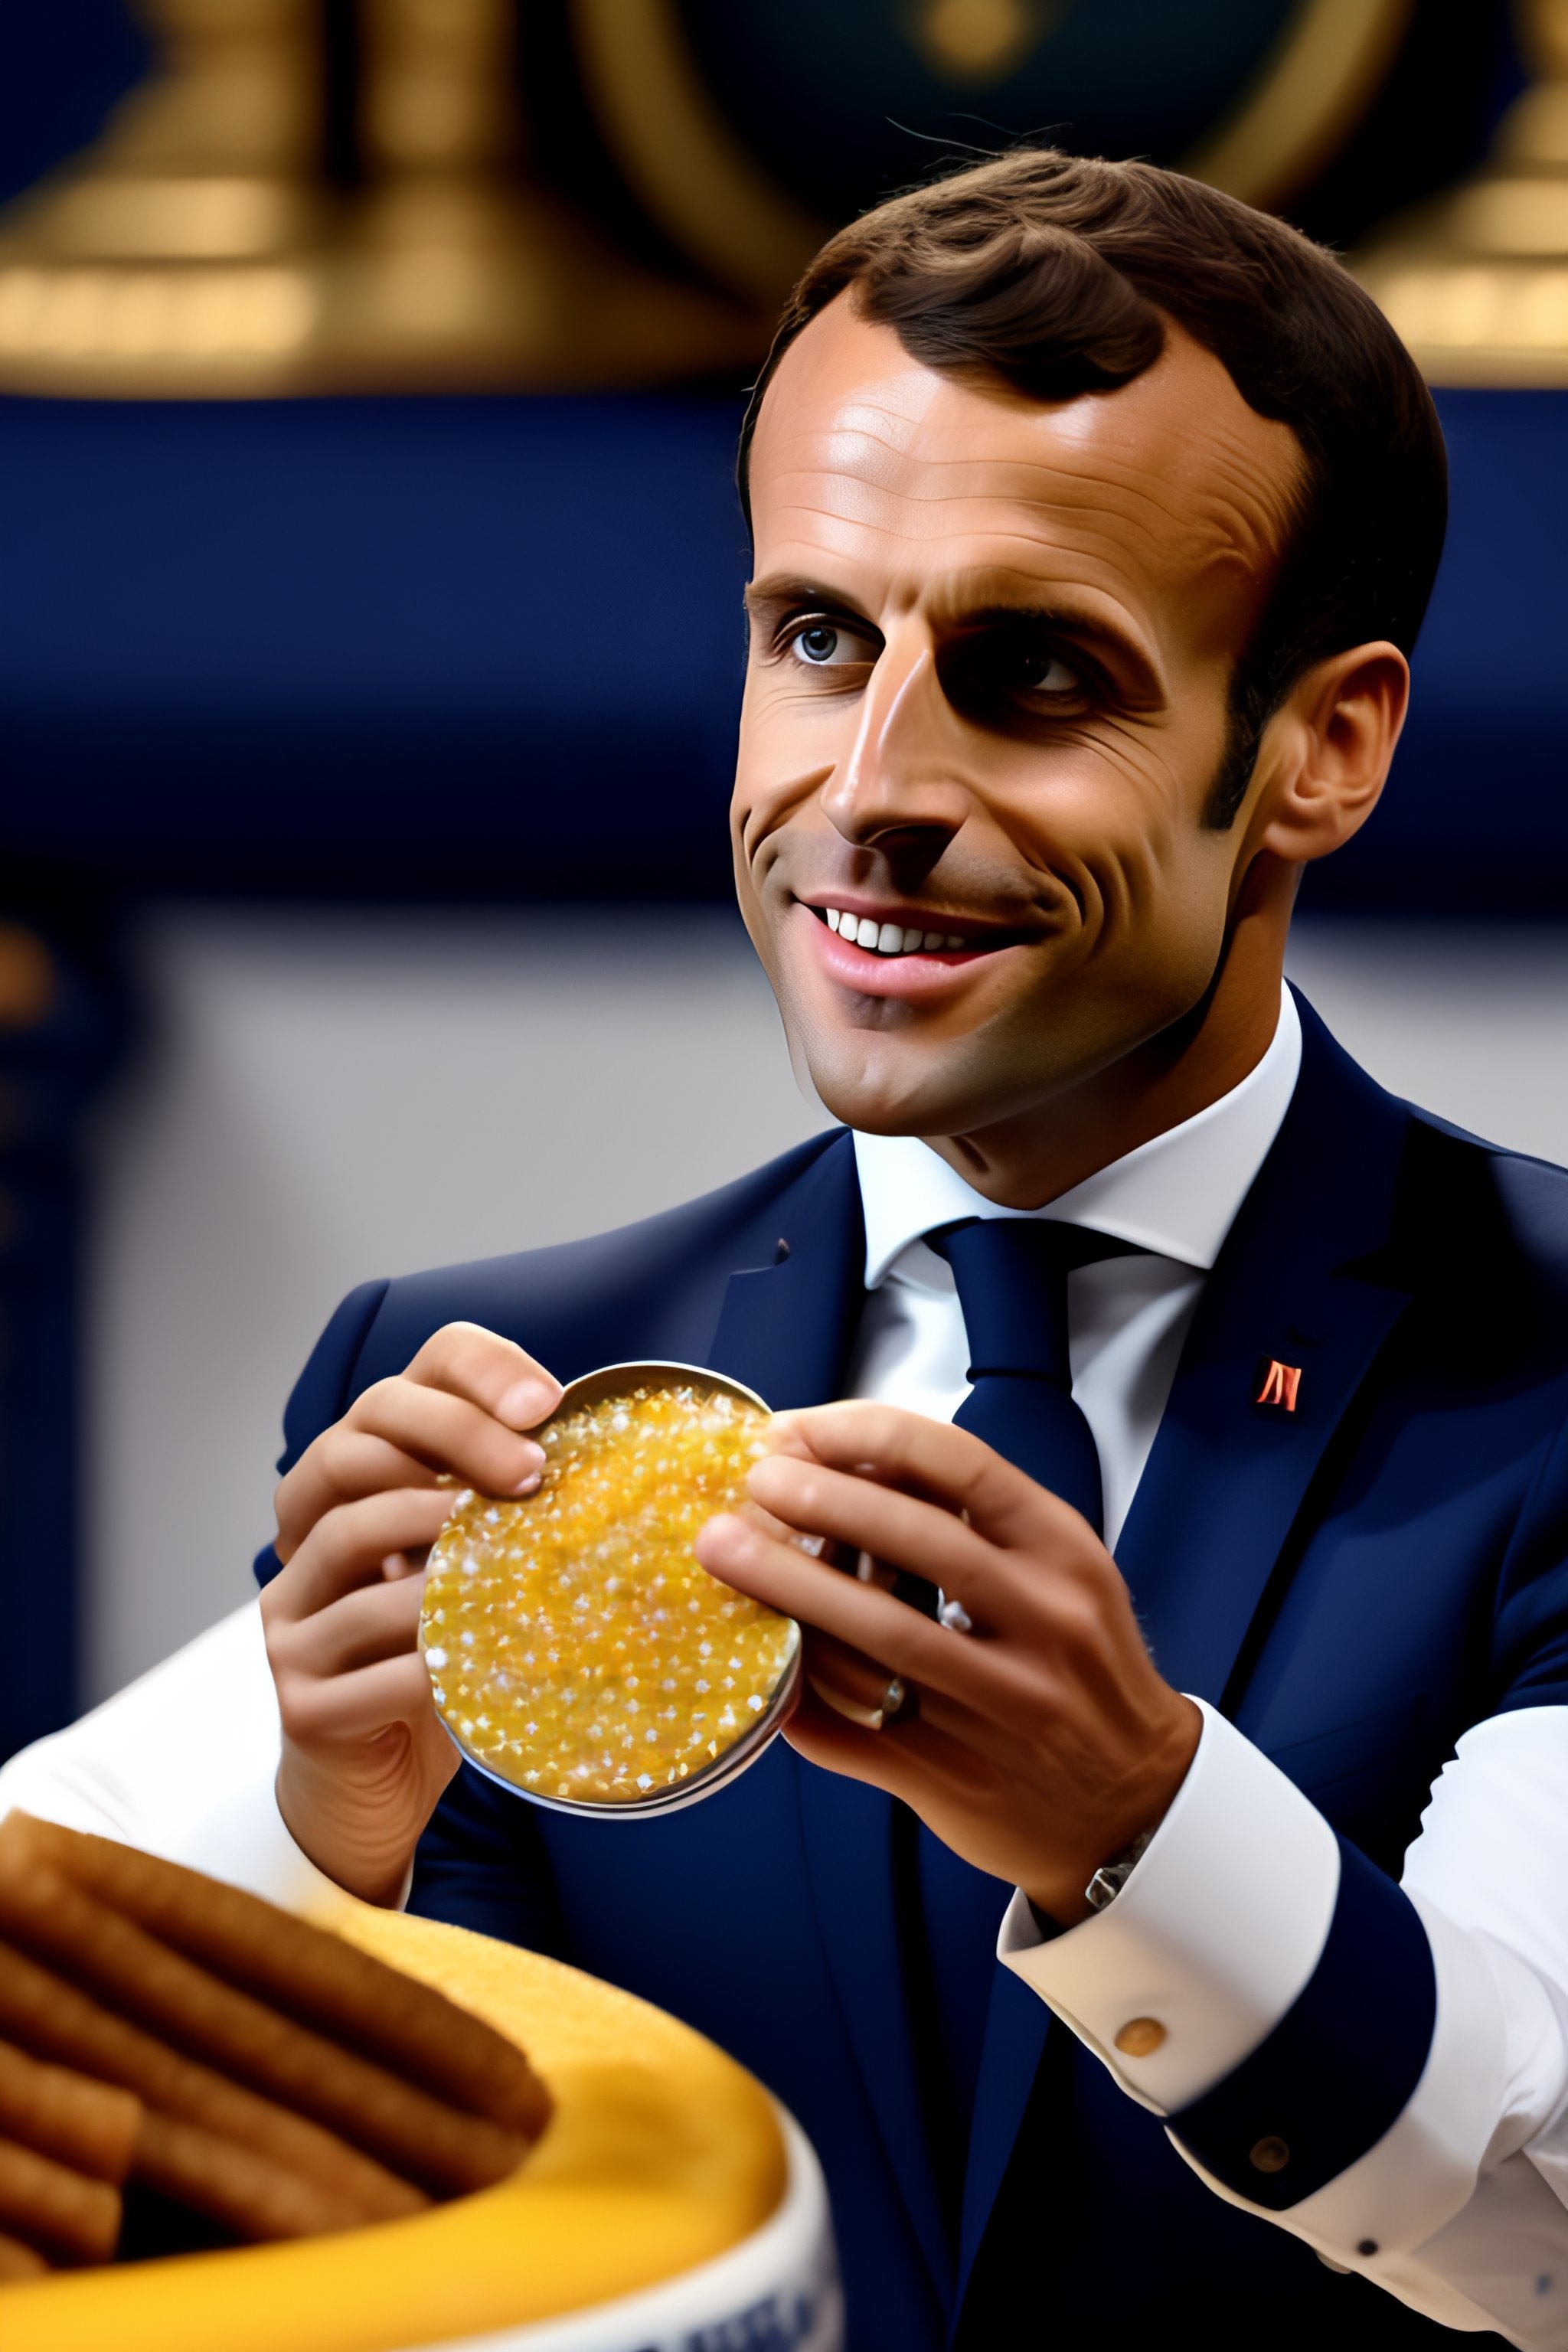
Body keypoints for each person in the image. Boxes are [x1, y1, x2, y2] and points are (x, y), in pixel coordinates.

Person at [6, 149, 1567, 2350]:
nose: (868, 781)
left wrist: (1139, 1826)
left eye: (1033, 673)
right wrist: (319, 1845)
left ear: (1323, 748)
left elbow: (1553, 2222)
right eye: (818, 636)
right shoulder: (500, 1384)